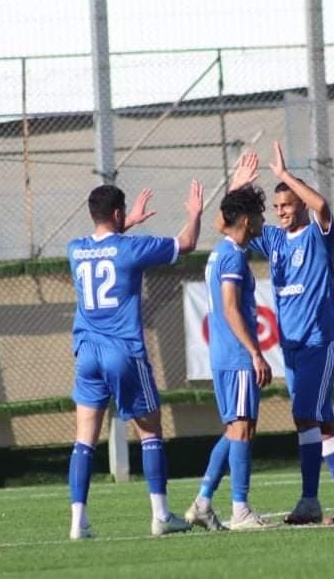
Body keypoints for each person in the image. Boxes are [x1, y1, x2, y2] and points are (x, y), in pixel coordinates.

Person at [238, 142, 334, 525]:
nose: (280, 212)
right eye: (276, 207)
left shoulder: (319, 236)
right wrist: (237, 187)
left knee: (303, 415)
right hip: (292, 347)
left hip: (321, 341)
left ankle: (310, 500)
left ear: (300, 204)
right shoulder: (274, 240)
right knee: (321, 422)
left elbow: (322, 206)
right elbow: (232, 227)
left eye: (287, 205)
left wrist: (284, 175)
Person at [67, 181, 203, 539]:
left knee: (84, 439)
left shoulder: (75, 250)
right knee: (150, 431)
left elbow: (104, 247)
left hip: (87, 353)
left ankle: (78, 522)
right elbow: (186, 243)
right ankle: (161, 516)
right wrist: (194, 213)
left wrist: (125, 224)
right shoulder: (132, 248)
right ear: (117, 213)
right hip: (123, 352)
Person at [184, 185, 276, 532]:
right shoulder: (233, 256)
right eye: (261, 215)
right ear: (248, 220)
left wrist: (237, 182)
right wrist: (255, 353)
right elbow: (230, 307)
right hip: (236, 356)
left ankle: (203, 503)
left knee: (237, 428)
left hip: (225, 354)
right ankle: (240, 510)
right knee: (241, 429)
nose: (264, 221)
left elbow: (223, 219)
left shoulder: (223, 250)